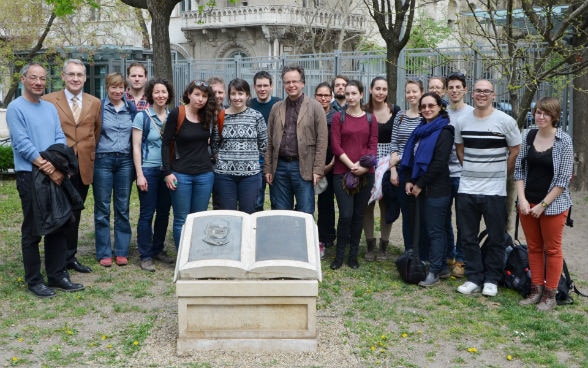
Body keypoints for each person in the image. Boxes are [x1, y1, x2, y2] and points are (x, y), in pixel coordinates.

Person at [7, 63, 84, 297]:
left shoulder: (49, 108)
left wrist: (57, 165)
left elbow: (59, 138)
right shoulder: (15, 108)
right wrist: (48, 167)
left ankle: (57, 274)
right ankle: (34, 280)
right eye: (33, 78)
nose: (39, 82)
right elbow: (22, 144)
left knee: (59, 224)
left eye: (42, 78)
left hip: (54, 173)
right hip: (30, 175)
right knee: (33, 229)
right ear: (23, 80)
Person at [455, 79, 521, 297]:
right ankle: (474, 277)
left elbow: (515, 149)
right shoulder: (462, 121)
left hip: (495, 191)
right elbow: (460, 148)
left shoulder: (506, 121)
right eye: (478, 91)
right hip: (467, 188)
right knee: (468, 236)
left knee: (496, 236)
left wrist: (502, 173)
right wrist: (472, 170)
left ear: (494, 95)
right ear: (472, 94)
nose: (482, 94)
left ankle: (492, 278)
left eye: (487, 91)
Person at [42, 59, 101, 274]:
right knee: (58, 213)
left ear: (85, 78)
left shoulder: (94, 102)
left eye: (80, 75)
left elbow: (97, 130)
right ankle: (55, 260)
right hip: (59, 165)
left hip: (83, 165)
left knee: (75, 212)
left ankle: (70, 257)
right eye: (71, 74)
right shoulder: (48, 100)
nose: (76, 78)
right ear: (64, 76)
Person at [515, 97, 573, 311]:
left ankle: (550, 294)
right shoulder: (528, 135)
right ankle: (535, 289)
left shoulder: (563, 140)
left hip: (553, 205)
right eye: (538, 112)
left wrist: (543, 205)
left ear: (554, 116)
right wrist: (521, 199)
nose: (540, 116)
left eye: (545, 113)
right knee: (534, 247)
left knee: (553, 249)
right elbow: (519, 170)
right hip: (527, 204)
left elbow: (563, 179)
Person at [400, 92, 454, 286]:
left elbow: (439, 163)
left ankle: (435, 271)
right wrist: (408, 180)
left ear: (440, 107)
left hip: (437, 189)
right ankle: (438, 266)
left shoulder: (446, 130)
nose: (427, 109)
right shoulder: (420, 129)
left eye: (431, 105)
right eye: (423, 106)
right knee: (425, 228)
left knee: (435, 230)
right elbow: (411, 158)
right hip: (419, 186)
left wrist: (420, 184)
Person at [264, 65, 328, 214]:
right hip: (279, 167)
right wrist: (268, 167)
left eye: (295, 81)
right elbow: (269, 140)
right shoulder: (276, 108)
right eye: (287, 82)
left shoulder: (315, 107)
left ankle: (303, 238)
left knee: (305, 212)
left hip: (304, 167)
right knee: (281, 212)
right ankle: (284, 238)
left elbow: (322, 140)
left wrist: (318, 169)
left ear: (302, 83)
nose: (291, 85)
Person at [161, 80, 217, 249]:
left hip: (204, 174)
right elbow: (165, 143)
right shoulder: (177, 113)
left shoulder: (208, 115)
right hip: (181, 174)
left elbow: (213, 142)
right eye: (197, 94)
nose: (200, 99)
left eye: (204, 96)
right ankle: (182, 258)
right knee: (181, 219)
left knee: (199, 218)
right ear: (188, 94)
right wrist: (167, 172)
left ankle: (196, 256)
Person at [330, 80, 378, 270]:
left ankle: (353, 255)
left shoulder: (370, 119)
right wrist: (351, 165)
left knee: (359, 214)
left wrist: (364, 167)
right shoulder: (338, 118)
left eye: (353, 93)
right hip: (342, 173)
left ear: (361, 95)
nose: (350, 97)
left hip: (366, 174)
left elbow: (373, 145)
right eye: (347, 93)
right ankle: (339, 255)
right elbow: (336, 144)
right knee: (346, 214)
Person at [131, 78, 176, 272]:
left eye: (164, 92)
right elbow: (136, 146)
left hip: (167, 171)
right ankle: (145, 254)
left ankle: (158, 248)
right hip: (148, 170)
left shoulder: (173, 117)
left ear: (168, 95)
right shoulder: (142, 117)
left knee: (164, 213)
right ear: (151, 94)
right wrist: (139, 173)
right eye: (157, 92)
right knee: (147, 213)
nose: (160, 95)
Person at [94, 72, 136, 267]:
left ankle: (121, 251)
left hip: (125, 161)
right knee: (102, 207)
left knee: (122, 206)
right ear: (107, 88)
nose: (117, 91)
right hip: (103, 160)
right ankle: (103, 252)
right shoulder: (100, 108)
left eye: (121, 87)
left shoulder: (131, 108)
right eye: (114, 87)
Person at [211, 78, 267, 213]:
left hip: (250, 176)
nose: (237, 97)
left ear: (247, 95)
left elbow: (264, 144)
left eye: (240, 93)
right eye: (233, 94)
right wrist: (226, 158)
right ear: (229, 96)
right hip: (225, 176)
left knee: (248, 213)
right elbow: (215, 144)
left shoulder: (256, 116)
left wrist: (248, 157)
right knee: (228, 215)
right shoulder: (221, 116)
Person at [362, 76, 400, 261]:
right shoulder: (363, 111)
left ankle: (384, 245)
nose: (380, 92)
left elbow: (399, 140)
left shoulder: (396, 111)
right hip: (368, 160)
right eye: (377, 88)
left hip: (389, 161)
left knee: (387, 203)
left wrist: (394, 165)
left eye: (384, 89)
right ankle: (370, 244)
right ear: (370, 89)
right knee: (367, 203)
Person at [388, 79, 425, 254]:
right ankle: (409, 249)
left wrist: (400, 158)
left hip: (419, 170)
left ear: (422, 92)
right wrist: (393, 170)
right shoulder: (400, 116)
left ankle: (423, 250)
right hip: (401, 171)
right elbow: (393, 143)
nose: (411, 95)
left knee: (421, 213)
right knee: (406, 213)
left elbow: (421, 147)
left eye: (414, 91)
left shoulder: (426, 118)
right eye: (408, 91)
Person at [444, 72, 474, 278]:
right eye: (451, 87)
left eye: (458, 87)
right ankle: (448, 256)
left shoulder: (473, 113)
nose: (454, 90)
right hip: (443, 175)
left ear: (465, 90)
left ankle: (462, 260)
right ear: (447, 90)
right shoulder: (441, 112)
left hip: (464, 174)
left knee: (464, 220)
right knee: (444, 217)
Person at [250, 71, 282, 211]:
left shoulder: (280, 104)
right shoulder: (248, 104)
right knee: (256, 201)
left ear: (271, 86)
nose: (262, 89)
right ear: (254, 87)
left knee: (277, 200)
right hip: (254, 160)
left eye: (265, 85)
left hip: (276, 160)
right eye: (259, 86)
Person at [314, 82, 337, 258]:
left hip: (331, 166)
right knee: (305, 203)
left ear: (331, 97)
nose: (323, 98)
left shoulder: (337, 117)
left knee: (326, 204)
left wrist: (329, 166)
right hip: (310, 166)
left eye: (326, 95)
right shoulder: (309, 114)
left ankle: (325, 237)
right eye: (320, 95)